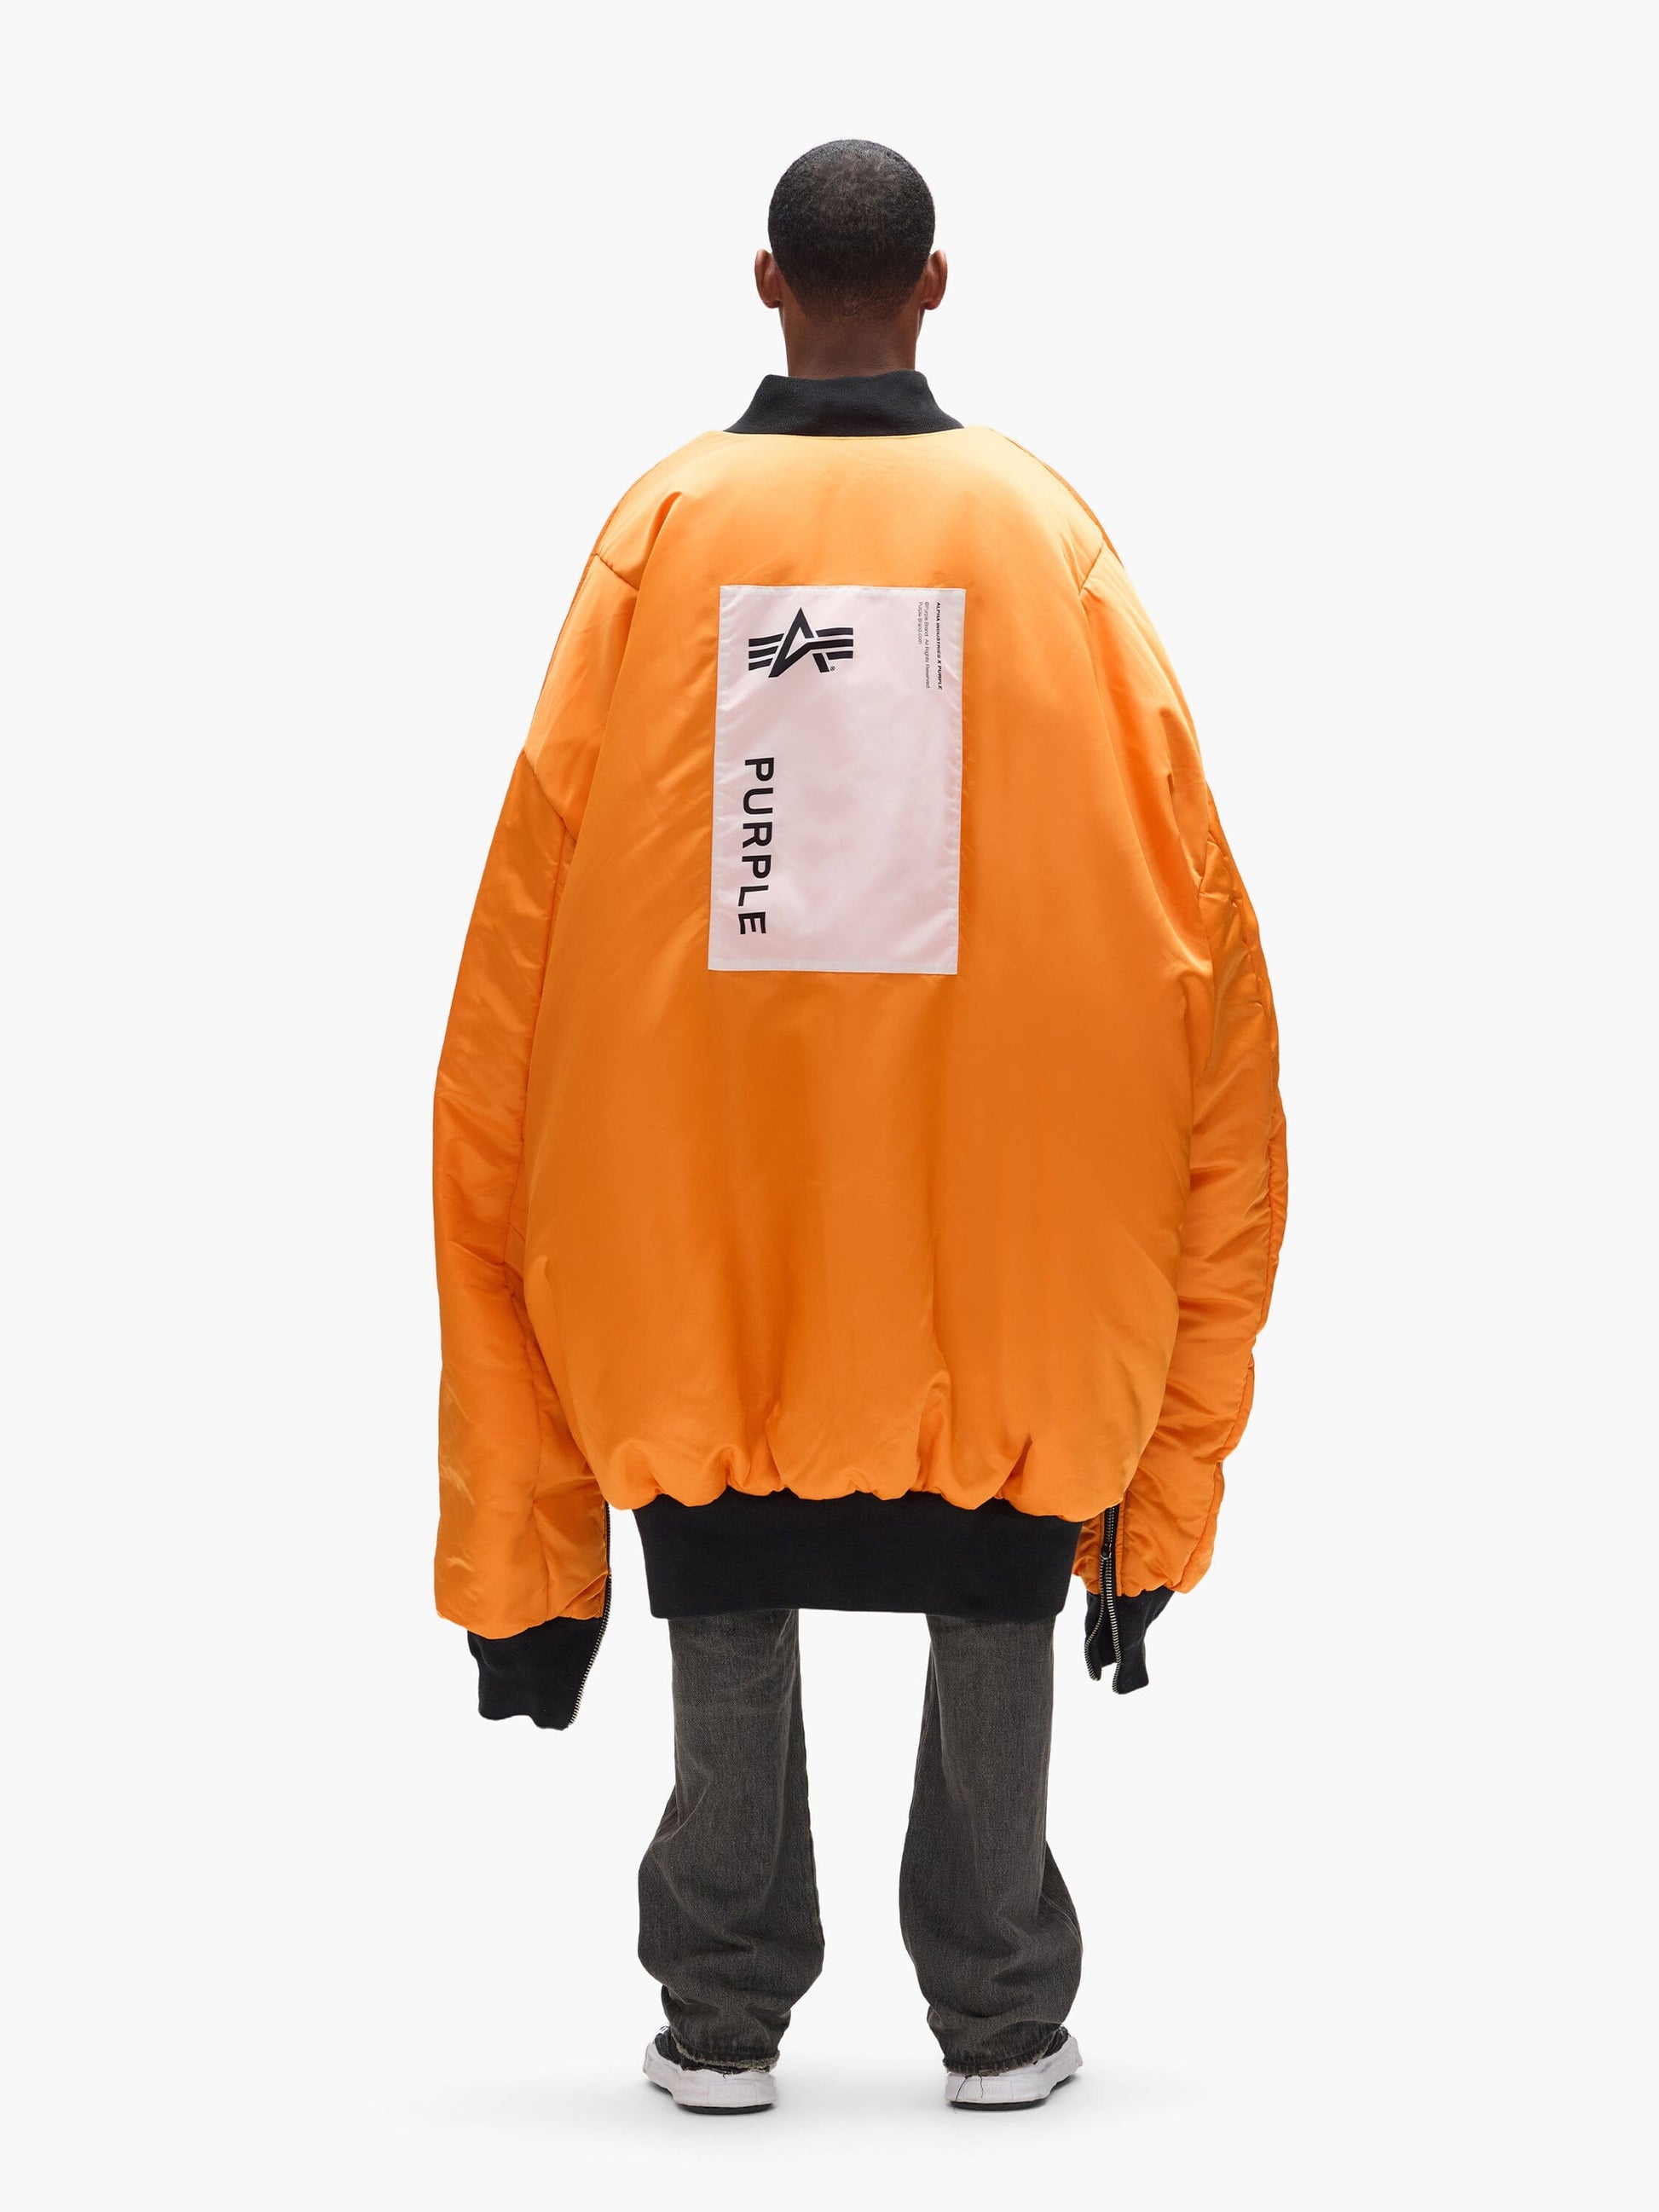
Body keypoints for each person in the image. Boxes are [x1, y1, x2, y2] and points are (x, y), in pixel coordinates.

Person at [432, 140, 1287, 2116]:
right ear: (934, 284)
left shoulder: (660, 536)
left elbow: (518, 975)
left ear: (765, 281)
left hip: (704, 1272)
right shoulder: (1044, 543)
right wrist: (1153, 1498)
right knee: (993, 1591)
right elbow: (1205, 964)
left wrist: (523, 1548)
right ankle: (997, 2011)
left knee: (724, 1583)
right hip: (1008, 1274)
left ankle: (721, 2008)